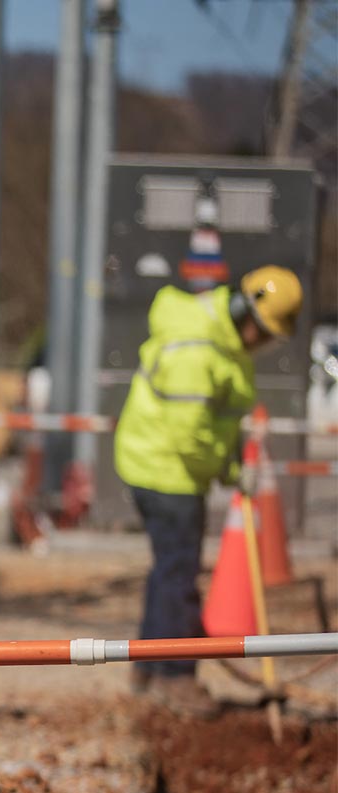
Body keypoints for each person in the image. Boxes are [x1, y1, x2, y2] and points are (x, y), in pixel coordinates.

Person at [114, 265, 301, 717]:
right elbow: (189, 435)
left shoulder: (223, 341)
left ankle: (146, 668)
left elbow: (218, 421)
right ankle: (174, 676)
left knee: (169, 571)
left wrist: (234, 461)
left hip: (165, 465)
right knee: (179, 576)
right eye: (264, 331)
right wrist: (232, 472)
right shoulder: (199, 349)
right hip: (165, 469)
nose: (263, 343)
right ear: (244, 312)